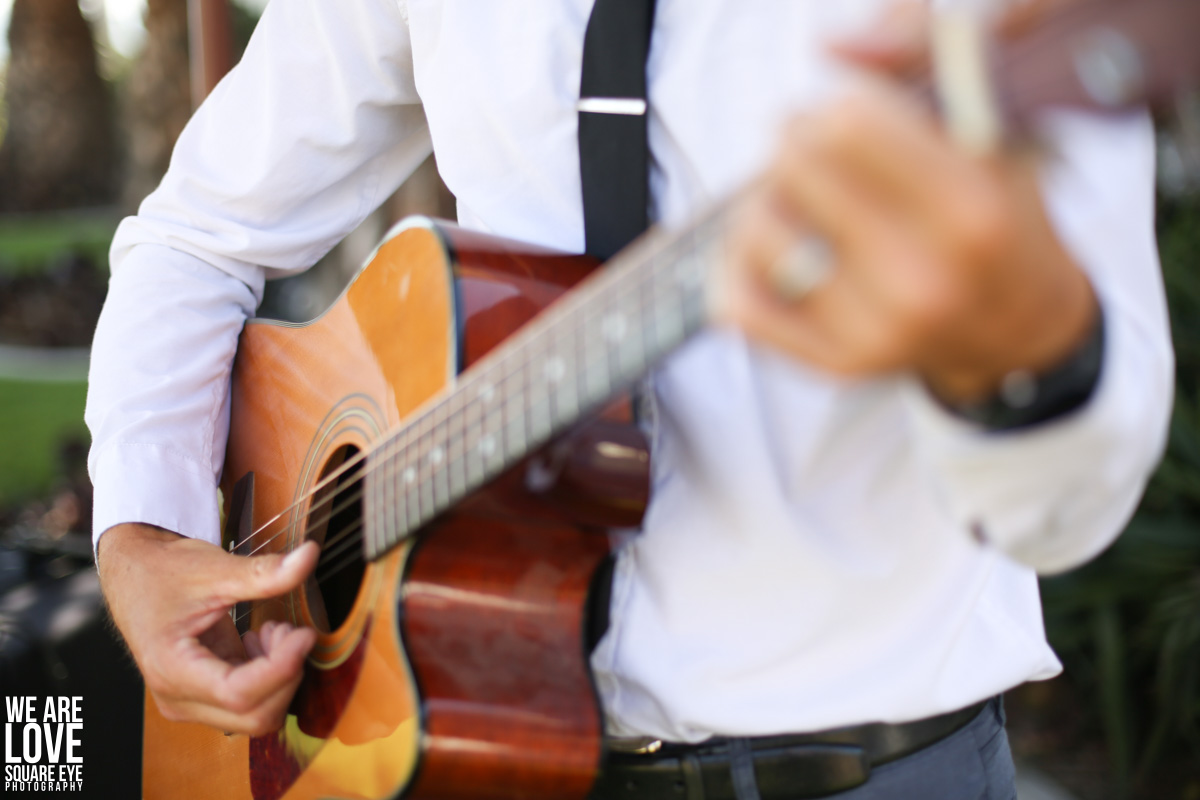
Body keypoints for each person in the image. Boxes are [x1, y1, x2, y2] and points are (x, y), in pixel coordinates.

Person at [86, 0, 1173, 797]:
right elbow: (192, 234)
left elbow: (1076, 494)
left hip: (880, 765)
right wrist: (143, 529)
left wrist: (1022, 352)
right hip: (483, 765)